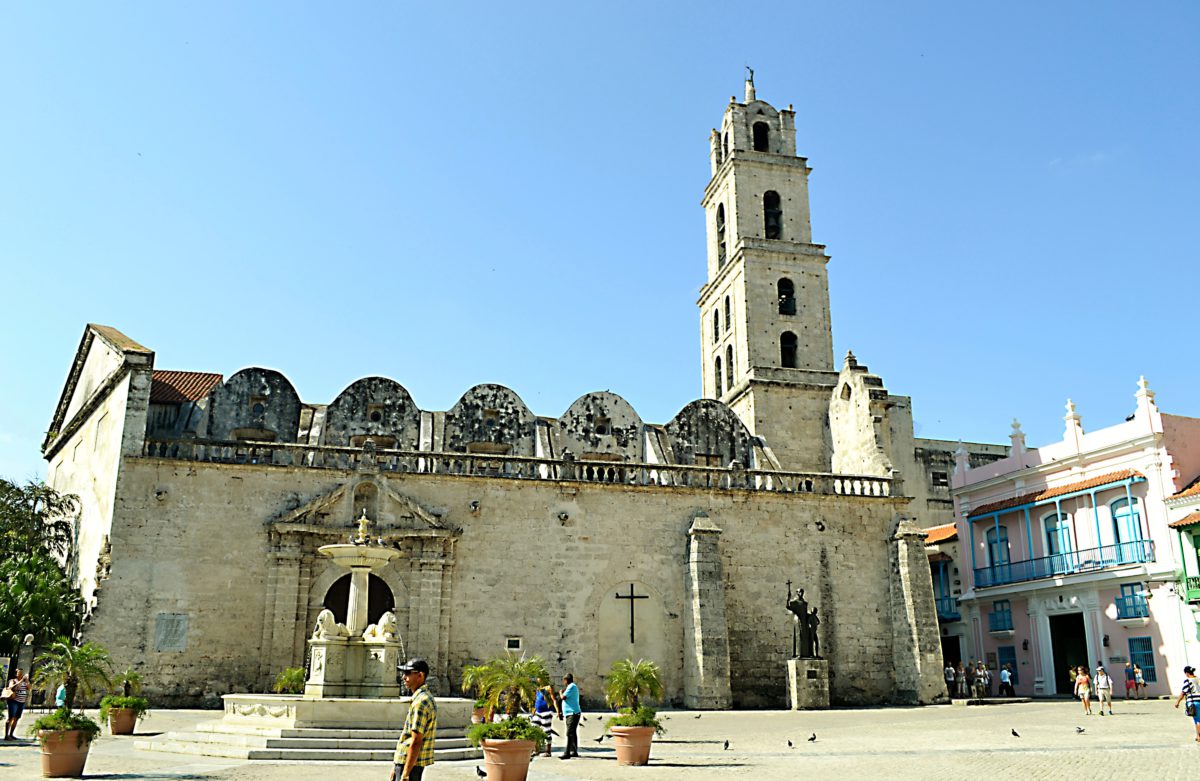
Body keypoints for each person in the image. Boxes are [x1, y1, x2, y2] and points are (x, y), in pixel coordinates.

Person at [391, 659, 437, 781]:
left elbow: (416, 740)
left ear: (420, 675)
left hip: (410, 763)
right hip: (408, 762)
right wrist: (395, 767)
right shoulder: (423, 698)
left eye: (407, 673)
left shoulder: (421, 702)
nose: (403, 677)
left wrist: (405, 773)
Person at [529, 679, 560, 757]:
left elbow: (554, 700)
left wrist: (558, 711)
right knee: (534, 730)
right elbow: (537, 701)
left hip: (547, 712)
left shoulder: (548, 688)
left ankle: (548, 751)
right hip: (538, 712)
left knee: (547, 732)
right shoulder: (538, 690)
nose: (538, 680)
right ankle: (536, 750)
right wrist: (534, 711)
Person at [1173, 665, 1200, 743]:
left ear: (1187, 673)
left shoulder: (1188, 681)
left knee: (1197, 720)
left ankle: (1199, 736)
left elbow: (1183, 692)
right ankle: (1198, 736)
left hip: (1193, 702)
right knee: (1198, 719)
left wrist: (1177, 702)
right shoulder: (1198, 679)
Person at [4, 667, 30, 740]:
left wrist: (27, 680)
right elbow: (11, 687)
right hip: (13, 701)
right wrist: (21, 680)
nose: (21, 674)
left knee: (16, 718)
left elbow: (29, 688)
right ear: (16, 674)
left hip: (21, 702)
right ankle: (6, 735)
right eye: (19, 673)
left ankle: (11, 734)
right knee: (11, 717)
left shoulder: (25, 682)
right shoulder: (13, 680)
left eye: (22, 673)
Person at [559, 673, 581, 760]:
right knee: (573, 732)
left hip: (573, 713)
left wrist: (561, 693)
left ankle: (567, 753)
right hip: (569, 713)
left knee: (569, 733)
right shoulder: (571, 687)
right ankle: (574, 751)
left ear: (566, 680)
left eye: (564, 680)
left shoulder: (572, 686)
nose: (563, 682)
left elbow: (563, 697)